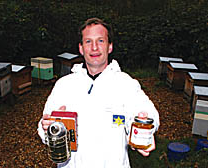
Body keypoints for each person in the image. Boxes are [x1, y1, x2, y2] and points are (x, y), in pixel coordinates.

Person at [38, 17, 159, 168]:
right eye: (88, 41)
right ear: (81, 48)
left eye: (100, 41)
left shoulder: (126, 84)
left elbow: (147, 113)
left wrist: (145, 131)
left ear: (110, 47)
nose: (94, 47)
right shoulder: (64, 85)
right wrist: (48, 128)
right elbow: (43, 129)